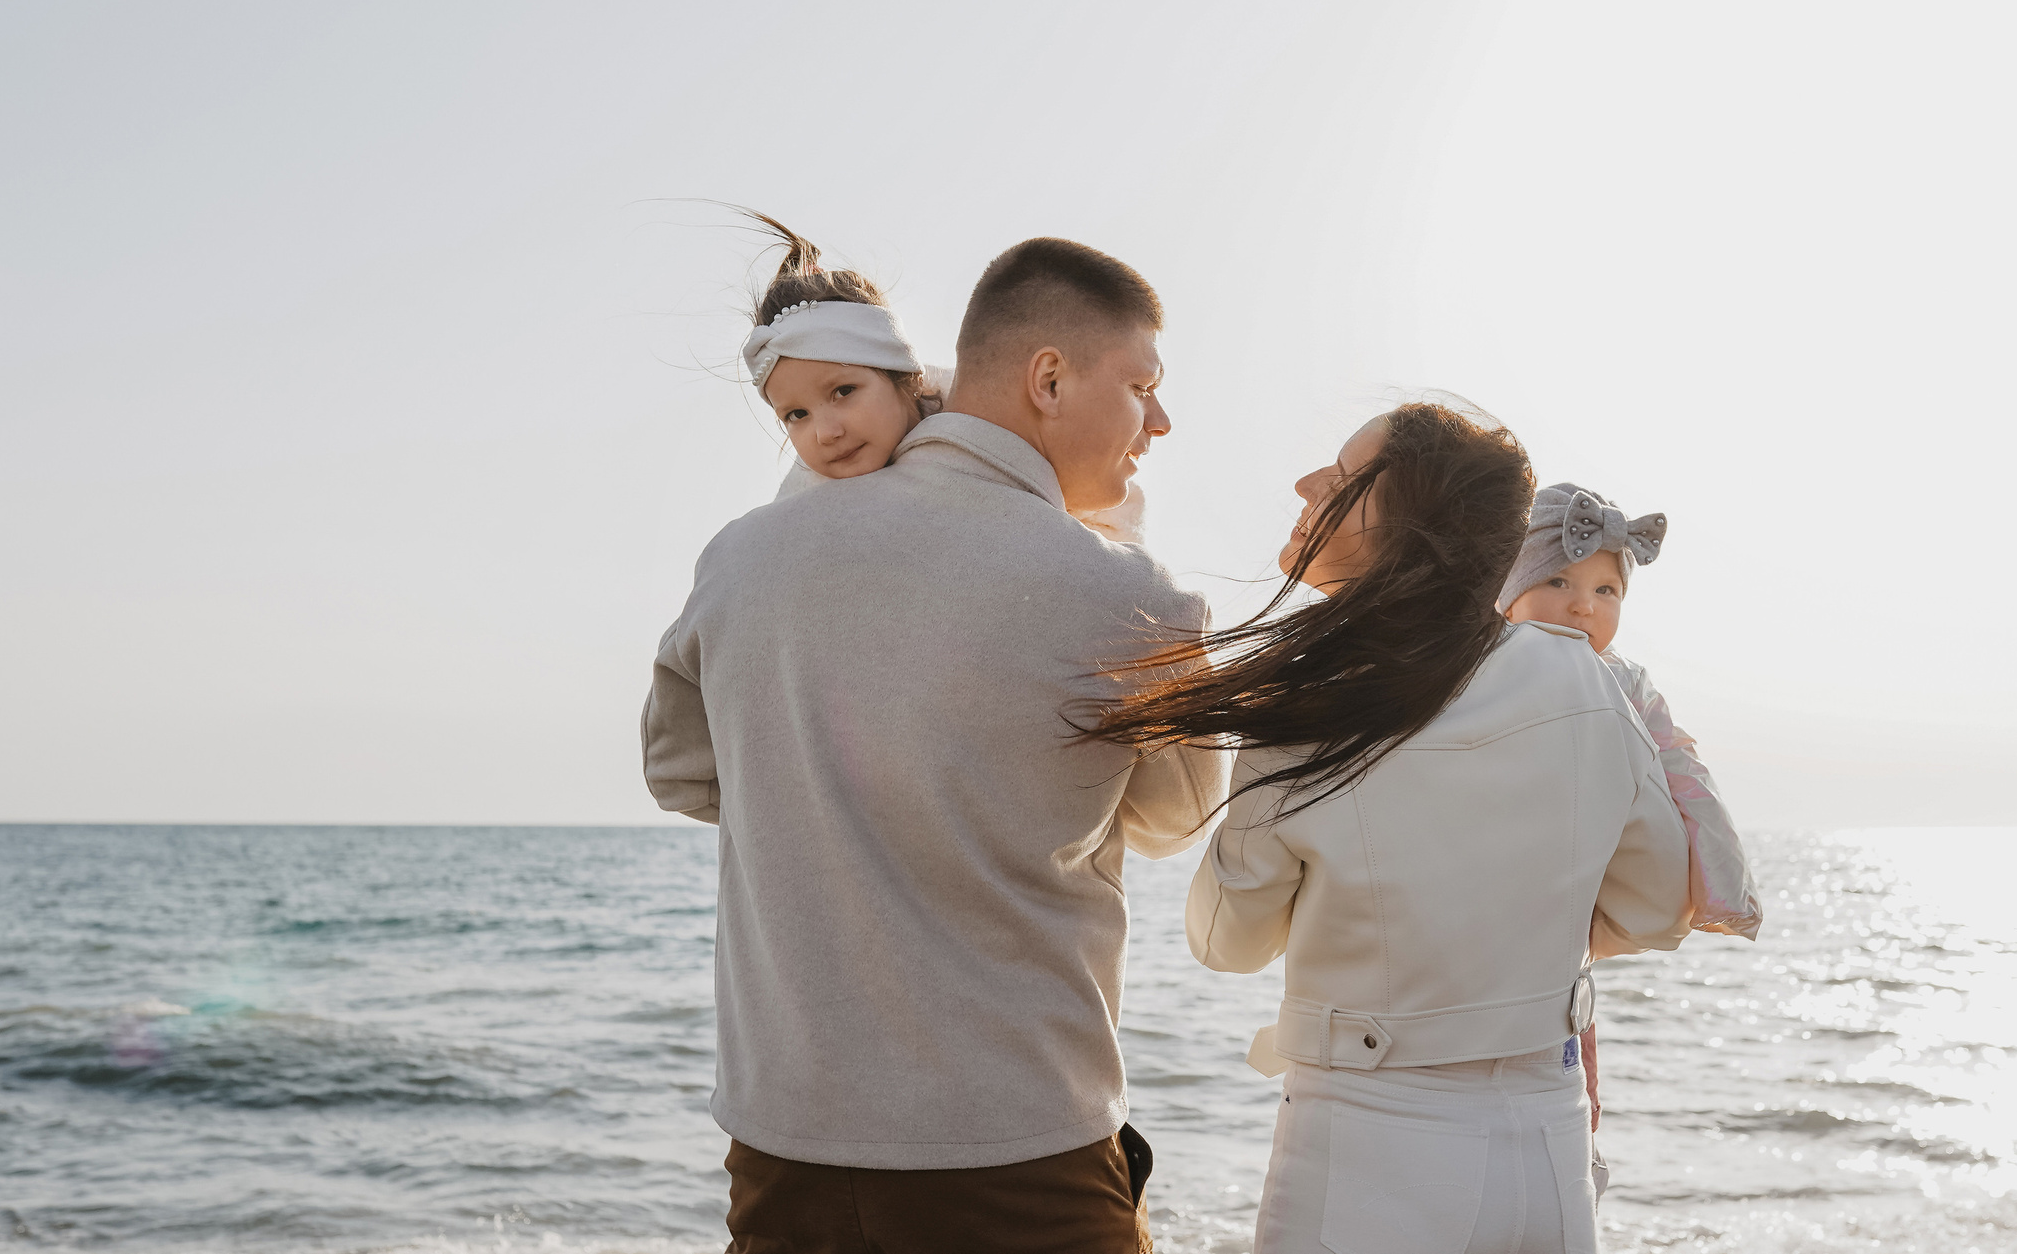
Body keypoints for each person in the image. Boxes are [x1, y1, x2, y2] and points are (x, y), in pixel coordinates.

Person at [640, 234, 1228, 1253]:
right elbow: (1176, 817)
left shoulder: (738, 560)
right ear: (1048, 377)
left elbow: (682, 773)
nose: (1160, 420)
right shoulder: (1135, 595)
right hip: (1018, 1155)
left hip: (786, 1154)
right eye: (1141, 384)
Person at [1088, 405, 1696, 1254]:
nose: (1307, 487)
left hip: (1372, 1154)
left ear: (1413, 529)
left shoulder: (1315, 699)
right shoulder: (1586, 680)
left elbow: (1227, 942)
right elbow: (1661, 906)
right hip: (1549, 1154)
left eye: (1340, 479)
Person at [1496, 480, 1761, 1193]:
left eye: (1606, 589)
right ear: (1507, 586)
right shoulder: (1479, 667)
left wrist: (1724, 888)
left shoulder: (1626, 681)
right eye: (1558, 579)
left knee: (1569, 1032)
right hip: (1493, 886)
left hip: (1581, 893)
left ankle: (1578, 1159)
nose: (1583, 603)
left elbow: (1687, 776)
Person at [732, 208, 1144, 540]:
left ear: (905, 377)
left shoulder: (988, 434)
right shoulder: (801, 510)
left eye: (843, 391)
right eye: (796, 415)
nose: (826, 432)